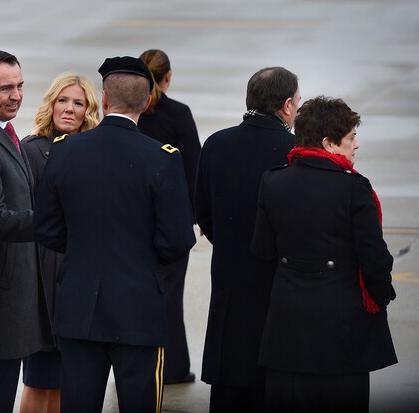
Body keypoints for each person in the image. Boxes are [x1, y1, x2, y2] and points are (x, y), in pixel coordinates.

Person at [34, 56, 196, 413]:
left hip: (78, 306)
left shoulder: (64, 151)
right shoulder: (163, 158)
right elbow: (178, 240)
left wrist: (82, 248)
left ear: (104, 100)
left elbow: (45, 229)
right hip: (139, 309)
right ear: (147, 102)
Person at [251, 96, 397, 412]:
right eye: (351, 138)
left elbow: (262, 250)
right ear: (329, 143)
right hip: (341, 330)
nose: (356, 145)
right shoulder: (355, 188)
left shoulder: (273, 181)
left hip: (288, 326)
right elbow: (374, 258)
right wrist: (381, 296)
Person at [194, 67, 299, 412]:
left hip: (230, 281)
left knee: (230, 388)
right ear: (286, 105)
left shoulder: (216, 144)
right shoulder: (295, 150)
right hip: (279, 287)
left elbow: (202, 210)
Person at [0, 50, 54, 413]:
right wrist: (53, 220)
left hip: (16, 301)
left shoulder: (9, 135)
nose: (16, 95)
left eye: (20, 86)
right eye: (5, 89)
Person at [19, 72, 101, 413]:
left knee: (69, 385)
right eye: (63, 100)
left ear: (89, 110)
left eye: (78, 103)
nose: (69, 109)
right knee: (40, 381)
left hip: (80, 277)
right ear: (51, 104)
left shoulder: (96, 152)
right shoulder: (31, 150)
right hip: (41, 280)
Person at [138, 49, 201, 384]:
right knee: (171, 298)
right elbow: (194, 169)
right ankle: (174, 367)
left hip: (134, 221)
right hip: (171, 222)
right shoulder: (178, 114)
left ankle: (136, 365)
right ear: (168, 76)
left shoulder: (131, 113)